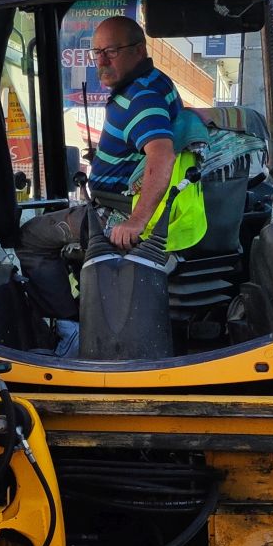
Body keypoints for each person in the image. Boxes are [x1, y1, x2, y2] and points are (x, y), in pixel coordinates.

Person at [18, 16, 199, 323]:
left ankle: (69, 326)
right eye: (96, 52)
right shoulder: (155, 81)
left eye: (111, 52)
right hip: (128, 202)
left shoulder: (140, 98)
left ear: (139, 51)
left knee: (30, 237)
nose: (101, 61)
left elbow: (162, 155)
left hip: (114, 213)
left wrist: (136, 222)